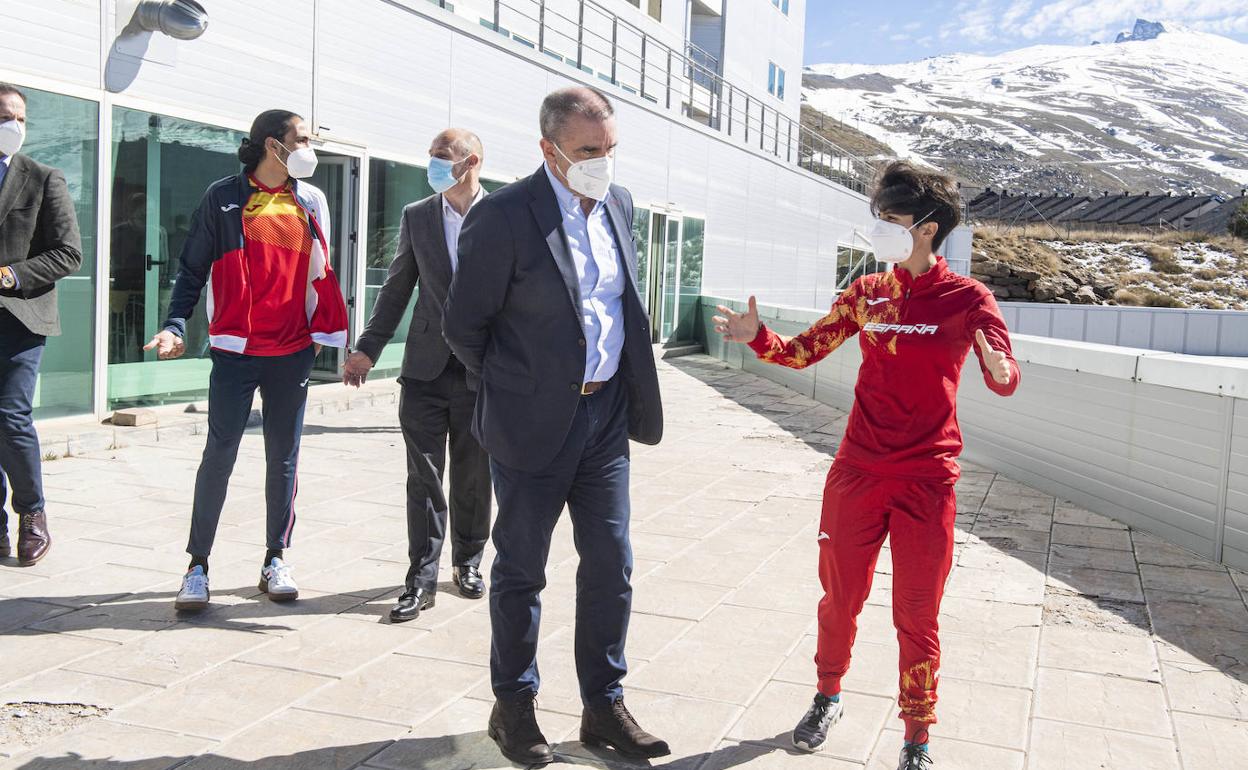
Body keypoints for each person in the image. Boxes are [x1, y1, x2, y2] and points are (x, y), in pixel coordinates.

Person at [714, 161, 1020, 770]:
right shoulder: (866, 293)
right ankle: (828, 694)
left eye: (891, 219)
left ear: (926, 230)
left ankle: (916, 734)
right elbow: (806, 351)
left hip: (927, 481)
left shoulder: (968, 298)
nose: (879, 228)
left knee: (917, 612)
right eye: (878, 217)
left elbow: (1005, 377)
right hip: (857, 473)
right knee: (840, 598)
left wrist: (997, 364)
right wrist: (758, 337)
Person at [443, 87, 666, 766]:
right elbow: (463, 327)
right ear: (549, 150)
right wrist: (519, 391)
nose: (603, 162)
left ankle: (604, 705)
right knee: (521, 571)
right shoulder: (505, 217)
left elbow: (617, 304)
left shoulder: (620, 205)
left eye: (610, 149)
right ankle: (514, 706)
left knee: (612, 565)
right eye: (588, 151)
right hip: (531, 421)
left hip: (605, 418)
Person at [144, 109, 349, 612]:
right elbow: (192, 268)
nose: (308, 147)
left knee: (284, 458)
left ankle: (275, 559)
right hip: (235, 351)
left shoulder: (310, 199)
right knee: (219, 455)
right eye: (300, 139)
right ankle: (197, 566)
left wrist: (320, 327)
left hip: (293, 352)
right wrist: (175, 326)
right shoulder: (223, 196)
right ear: (271, 145)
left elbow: (321, 271)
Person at [343, 128, 492, 623]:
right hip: (425, 371)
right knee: (422, 479)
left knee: (474, 476)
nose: (430, 163)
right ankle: (420, 577)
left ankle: (468, 561)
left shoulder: (504, 215)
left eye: (440, 156)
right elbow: (397, 287)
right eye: (429, 155)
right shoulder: (418, 216)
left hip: (482, 374)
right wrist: (367, 349)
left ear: (470, 161)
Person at [0, 82, 83, 566]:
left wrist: (11, 274)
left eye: (21, 118)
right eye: (6, 116)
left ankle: (32, 514)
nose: (15, 126)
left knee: (10, 416)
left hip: (20, 315)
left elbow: (68, 252)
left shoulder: (43, 177)